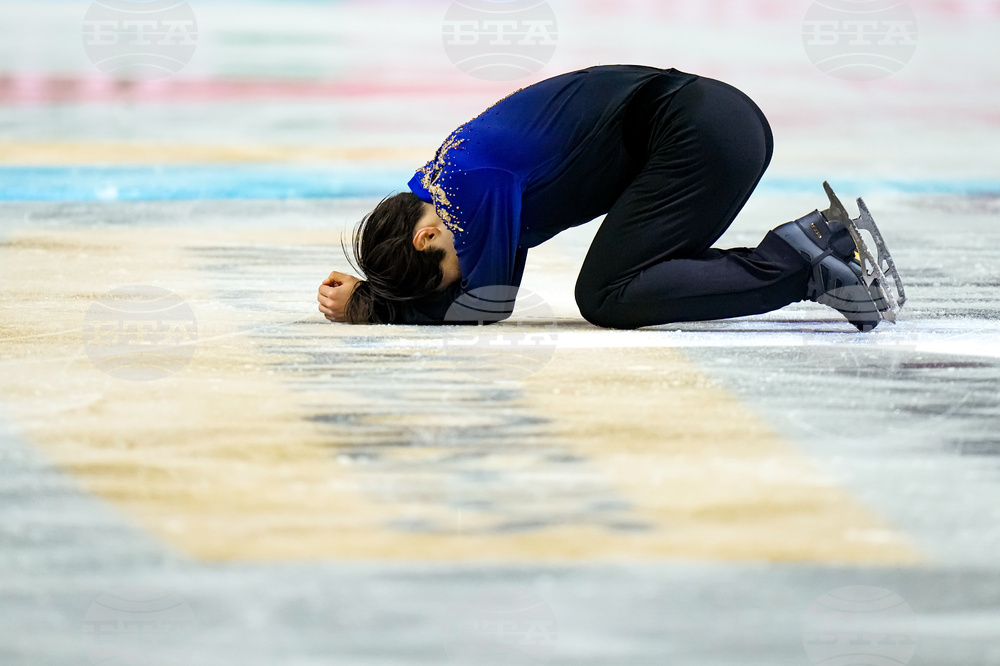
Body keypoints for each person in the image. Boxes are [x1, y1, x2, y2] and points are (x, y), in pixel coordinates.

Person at [318, 64, 895, 331]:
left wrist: (372, 308)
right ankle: (822, 249)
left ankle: (804, 262)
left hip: (701, 132)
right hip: (707, 126)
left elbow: (487, 305)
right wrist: (382, 290)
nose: (463, 275)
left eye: (449, 271)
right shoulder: (441, 189)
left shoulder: (472, 188)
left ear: (426, 236)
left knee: (607, 296)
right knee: (628, 280)